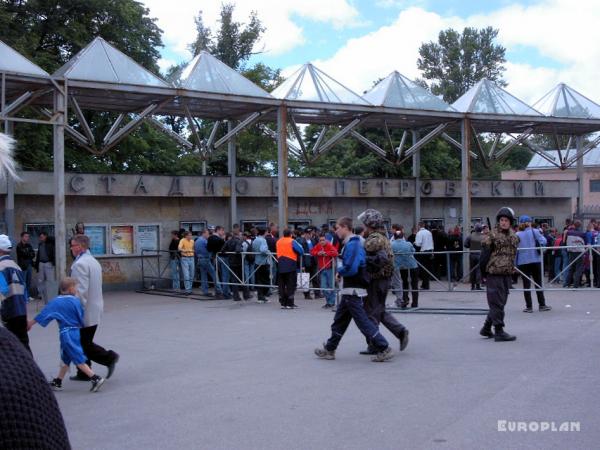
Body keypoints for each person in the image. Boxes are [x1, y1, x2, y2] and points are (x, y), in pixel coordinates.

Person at [314, 216, 393, 362]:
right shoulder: (352, 243)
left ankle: (384, 347)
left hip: (353, 289)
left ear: (345, 227)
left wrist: (340, 270)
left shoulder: (353, 244)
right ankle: (330, 349)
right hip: (350, 289)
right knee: (340, 321)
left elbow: (351, 268)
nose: (335, 230)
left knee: (362, 321)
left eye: (337, 227)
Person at [27, 277, 105, 392]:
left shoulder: (56, 302)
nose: (77, 290)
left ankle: (95, 378)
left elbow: (44, 314)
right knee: (66, 358)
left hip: (66, 333)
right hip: (75, 331)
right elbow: (81, 316)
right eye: (76, 288)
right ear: (71, 289)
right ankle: (58, 381)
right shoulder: (75, 301)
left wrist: (30, 323)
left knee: (76, 356)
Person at [0, 326, 71, 449]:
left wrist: (33, 321)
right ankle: (61, 380)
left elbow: (49, 313)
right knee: (75, 358)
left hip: (68, 335)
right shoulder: (10, 344)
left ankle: (94, 377)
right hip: (76, 333)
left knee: (73, 359)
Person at [70, 235, 119, 381]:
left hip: (85, 310)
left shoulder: (80, 264)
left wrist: (74, 310)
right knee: (82, 341)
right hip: (94, 307)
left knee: (82, 343)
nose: (71, 248)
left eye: (72, 245)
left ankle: (109, 357)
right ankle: (84, 372)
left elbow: (80, 291)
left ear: (80, 246)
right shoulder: (92, 261)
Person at [360, 209, 410, 355]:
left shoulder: (374, 239)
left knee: (372, 312)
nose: (363, 227)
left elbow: (381, 258)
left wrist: (363, 261)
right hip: (381, 279)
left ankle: (376, 344)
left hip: (377, 279)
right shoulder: (381, 236)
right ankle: (400, 331)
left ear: (370, 224)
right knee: (378, 310)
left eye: (365, 224)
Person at [479, 207, 519, 342]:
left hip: (506, 273)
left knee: (501, 302)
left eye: (506, 220)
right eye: (501, 220)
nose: (503, 222)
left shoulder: (514, 236)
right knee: (496, 303)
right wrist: (483, 273)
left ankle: (486, 328)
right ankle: (499, 331)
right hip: (494, 273)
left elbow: (513, 255)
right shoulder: (492, 235)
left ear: (510, 222)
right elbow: (484, 256)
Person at [516, 215, 551, 313]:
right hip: (536, 260)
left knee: (526, 285)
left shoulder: (517, 234)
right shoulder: (535, 231)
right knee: (538, 283)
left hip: (523, 261)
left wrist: (515, 263)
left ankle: (529, 307)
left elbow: (515, 250)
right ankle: (542, 305)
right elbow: (544, 241)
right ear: (530, 222)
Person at [0, 234, 29, 352]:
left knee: (11, 348)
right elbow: (25, 293)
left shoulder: (0, 267)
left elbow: (2, 291)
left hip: (9, 311)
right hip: (21, 311)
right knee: (24, 344)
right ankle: (30, 368)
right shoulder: (16, 266)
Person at [276, 229, 303, 309]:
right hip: (290, 264)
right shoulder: (292, 241)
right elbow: (301, 251)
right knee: (290, 284)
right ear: (291, 234)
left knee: (282, 285)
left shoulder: (279, 241)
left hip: (280, 264)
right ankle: (290, 303)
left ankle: (283, 302)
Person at [310, 233, 338, 308]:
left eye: (323, 240)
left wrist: (326, 253)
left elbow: (335, 253)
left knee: (331, 285)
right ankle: (328, 301)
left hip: (330, 268)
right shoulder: (318, 245)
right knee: (323, 286)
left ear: (326, 240)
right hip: (322, 269)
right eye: (320, 240)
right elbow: (312, 252)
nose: (322, 242)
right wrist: (318, 253)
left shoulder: (329, 245)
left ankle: (331, 302)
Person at [222, 230, 251, 301]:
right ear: (238, 235)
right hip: (239, 263)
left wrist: (229, 253)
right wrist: (241, 251)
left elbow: (222, 250)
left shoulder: (228, 242)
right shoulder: (239, 241)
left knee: (234, 280)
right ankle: (246, 295)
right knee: (243, 279)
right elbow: (238, 250)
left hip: (231, 262)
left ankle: (236, 296)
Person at [392, 233, 419, 308]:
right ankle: (415, 303)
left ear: (394, 237)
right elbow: (413, 251)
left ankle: (405, 300)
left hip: (401, 266)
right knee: (414, 284)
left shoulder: (392, 244)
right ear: (403, 237)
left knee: (404, 283)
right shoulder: (408, 243)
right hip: (412, 265)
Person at [195, 229, 219, 297]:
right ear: (204, 233)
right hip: (205, 259)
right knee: (214, 274)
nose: (208, 235)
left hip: (199, 259)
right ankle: (219, 290)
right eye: (207, 234)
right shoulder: (204, 241)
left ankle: (205, 291)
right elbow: (210, 249)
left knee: (203, 276)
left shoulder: (197, 240)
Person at [34, 231, 56, 303]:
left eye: (42, 237)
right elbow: (38, 255)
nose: (41, 238)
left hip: (48, 263)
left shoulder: (50, 243)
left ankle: (51, 296)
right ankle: (42, 295)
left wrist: (53, 262)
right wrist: (36, 265)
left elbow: (55, 240)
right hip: (41, 263)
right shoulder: (40, 244)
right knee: (40, 280)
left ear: (45, 236)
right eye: (40, 237)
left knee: (50, 280)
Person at [564, 220, 587, 288]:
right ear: (580, 225)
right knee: (579, 268)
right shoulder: (582, 234)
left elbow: (565, 239)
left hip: (571, 252)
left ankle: (566, 283)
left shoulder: (569, 232)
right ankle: (575, 284)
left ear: (574, 225)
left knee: (572, 268)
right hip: (579, 252)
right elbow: (585, 243)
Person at [252, 228, 271, 303]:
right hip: (263, 262)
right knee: (266, 280)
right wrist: (268, 252)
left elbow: (253, 248)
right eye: (267, 232)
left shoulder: (255, 240)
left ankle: (260, 297)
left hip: (257, 261)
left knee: (259, 280)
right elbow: (263, 250)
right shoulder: (263, 240)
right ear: (265, 232)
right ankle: (263, 296)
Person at [414, 222, 434, 289]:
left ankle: (425, 285)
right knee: (427, 269)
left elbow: (418, 244)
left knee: (422, 269)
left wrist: (414, 243)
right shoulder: (429, 232)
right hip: (430, 251)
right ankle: (425, 284)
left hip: (423, 252)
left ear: (419, 226)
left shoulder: (419, 233)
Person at [16, 231, 35, 298]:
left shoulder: (29, 245)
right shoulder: (19, 246)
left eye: (28, 236)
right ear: (22, 237)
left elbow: (33, 254)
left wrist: (28, 254)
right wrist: (28, 254)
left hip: (29, 265)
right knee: (23, 281)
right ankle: (23, 296)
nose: (27, 238)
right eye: (26, 236)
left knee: (28, 281)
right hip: (23, 266)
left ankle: (28, 295)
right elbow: (23, 254)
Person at [464, 224, 484, 290]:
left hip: (472, 254)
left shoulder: (470, 236)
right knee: (478, 270)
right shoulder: (483, 237)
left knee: (472, 270)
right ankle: (478, 285)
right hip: (480, 255)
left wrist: (471, 246)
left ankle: (472, 286)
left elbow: (465, 244)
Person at [177, 231, 195, 295]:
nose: (190, 236)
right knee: (186, 275)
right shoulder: (182, 240)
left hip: (192, 258)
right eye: (189, 235)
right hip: (185, 258)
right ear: (186, 236)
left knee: (192, 274)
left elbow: (193, 248)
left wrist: (193, 251)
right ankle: (187, 290)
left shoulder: (192, 241)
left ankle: (190, 289)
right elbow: (179, 248)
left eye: (191, 235)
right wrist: (184, 250)